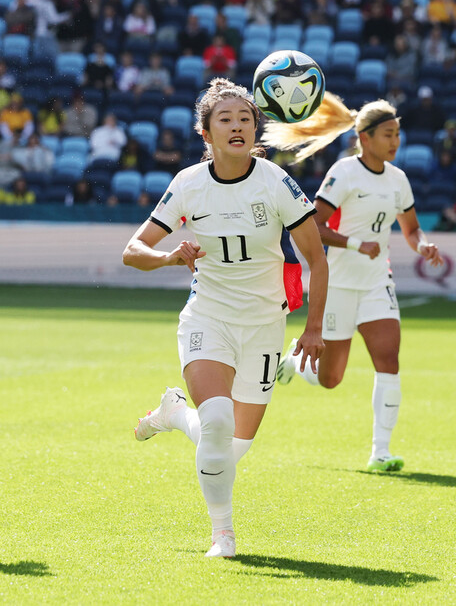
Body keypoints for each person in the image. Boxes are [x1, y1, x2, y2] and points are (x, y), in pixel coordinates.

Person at [123, 79, 328, 559]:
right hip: (207, 318)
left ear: (256, 128)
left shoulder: (276, 182)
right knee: (215, 424)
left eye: (245, 119)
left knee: (230, 449)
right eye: (225, 120)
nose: (237, 126)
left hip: (264, 326)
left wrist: (314, 327)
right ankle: (224, 535)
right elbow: (133, 252)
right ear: (206, 133)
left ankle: (173, 415)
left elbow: (317, 260)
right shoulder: (188, 184)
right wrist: (172, 257)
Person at [266, 97, 444, 473]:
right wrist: (353, 244)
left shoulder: (399, 179)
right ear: (365, 137)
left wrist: (422, 245)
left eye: (398, 134)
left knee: (389, 361)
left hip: (378, 283)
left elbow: (410, 229)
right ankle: (297, 363)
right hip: (340, 285)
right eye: (387, 134)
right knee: (330, 379)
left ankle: (381, 451)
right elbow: (314, 225)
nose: (395, 142)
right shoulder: (344, 172)